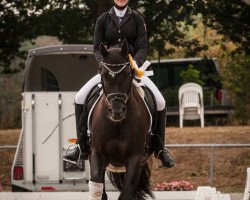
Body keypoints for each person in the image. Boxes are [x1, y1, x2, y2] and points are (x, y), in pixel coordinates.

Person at [63, 0, 175, 168]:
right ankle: (80, 145)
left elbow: (142, 47)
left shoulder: (137, 19)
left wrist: (134, 64)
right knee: (79, 97)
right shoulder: (102, 19)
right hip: (109, 71)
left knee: (160, 101)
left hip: (131, 69)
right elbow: (96, 47)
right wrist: (103, 63)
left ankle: (160, 149)